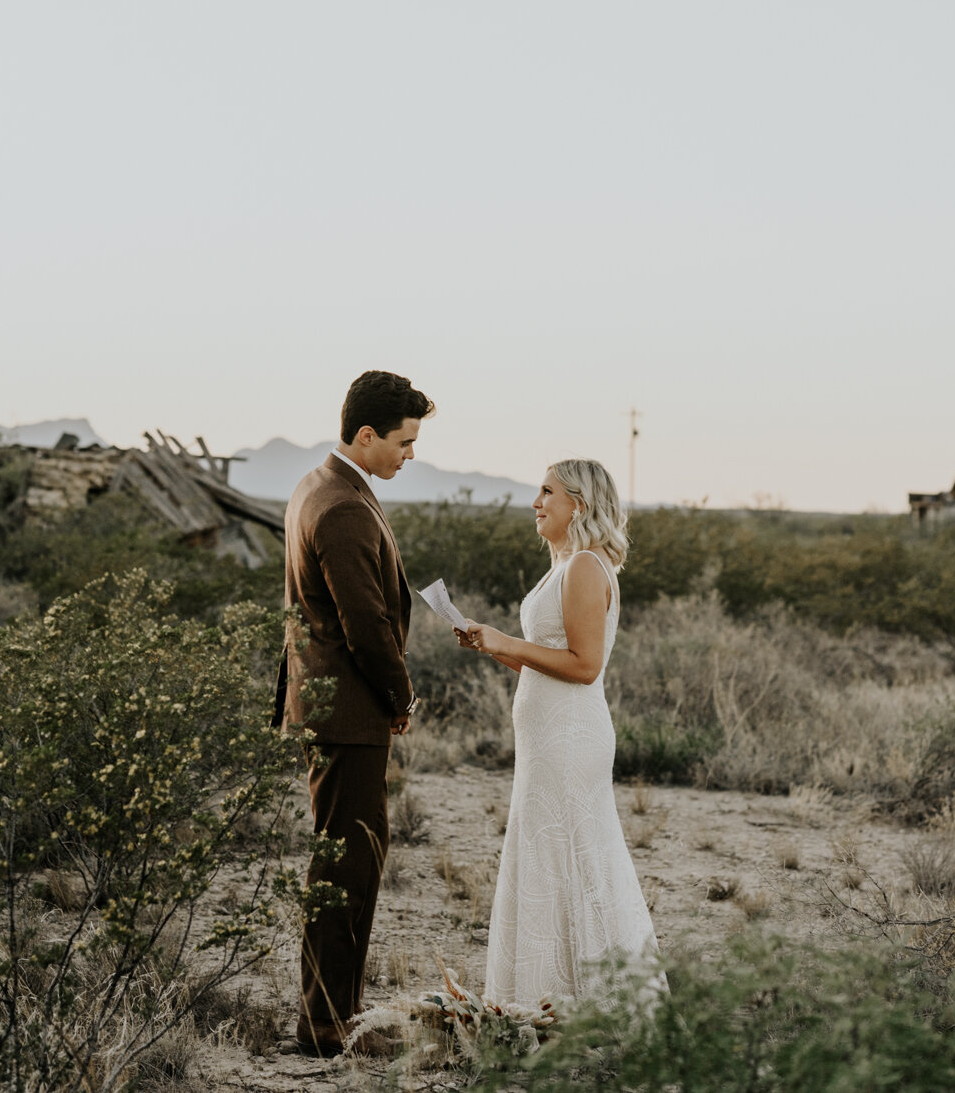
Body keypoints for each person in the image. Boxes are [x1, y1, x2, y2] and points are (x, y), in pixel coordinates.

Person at [456, 458, 664, 1007]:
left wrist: (504, 640)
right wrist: (494, 649)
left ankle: (599, 1003)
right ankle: (546, 1000)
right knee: (548, 858)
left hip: (571, 739)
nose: (535, 502)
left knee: (578, 859)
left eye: (546, 492)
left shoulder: (587, 568)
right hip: (546, 737)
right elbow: (547, 665)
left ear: (580, 502)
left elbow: (584, 665)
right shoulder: (565, 565)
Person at [272, 370, 435, 1057]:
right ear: (364, 435)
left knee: (345, 861)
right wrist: (399, 699)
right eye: (403, 442)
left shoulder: (318, 483)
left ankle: (332, 1012)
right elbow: (363, 621)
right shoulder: (340, 506)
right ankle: (324, 1026)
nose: (409, 454)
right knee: (348, 867)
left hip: (328, 705)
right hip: (346, 712)